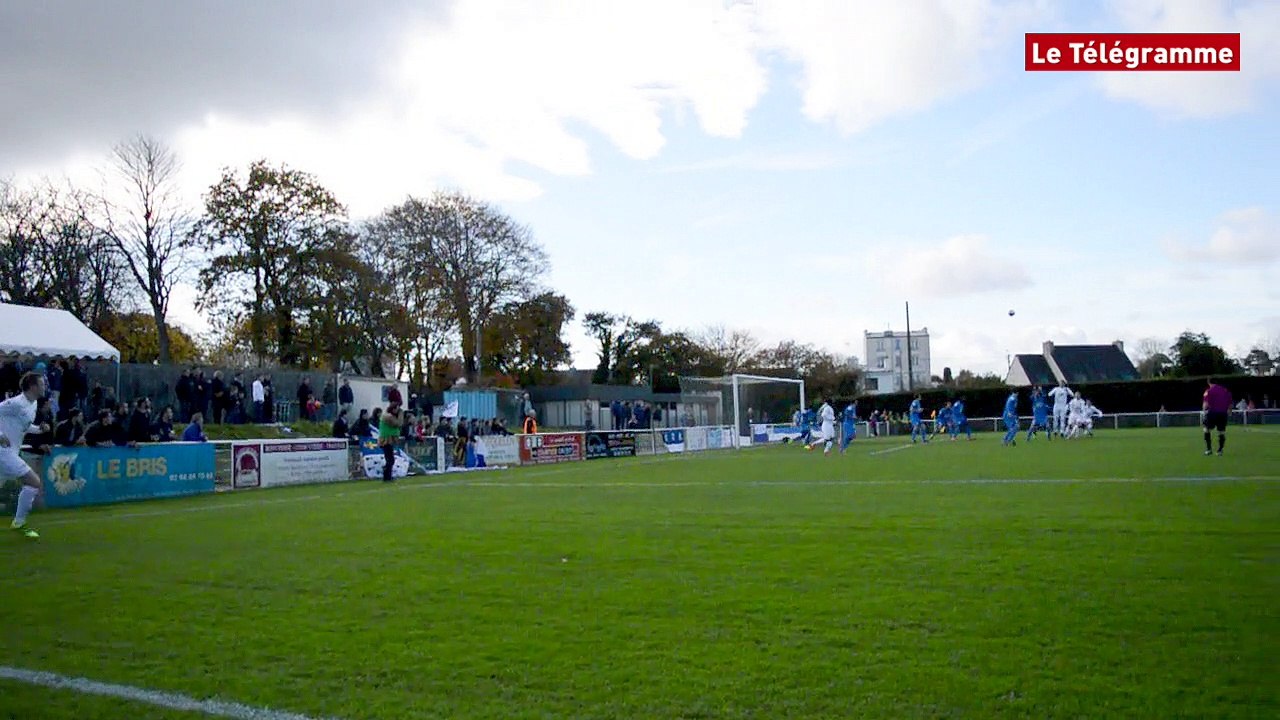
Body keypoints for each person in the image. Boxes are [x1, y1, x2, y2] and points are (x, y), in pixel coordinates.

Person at [1, 373, 50, 538]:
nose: (45, 387)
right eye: (42, 384)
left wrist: (39, 429)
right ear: (33, 387)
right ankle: (19, 522)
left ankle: (18, 522)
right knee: (34, 482)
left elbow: (25, 426)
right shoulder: (15, 403)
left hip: (11, 451)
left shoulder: (33, 403)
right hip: (3, 452)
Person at [1202, 377, 1232, 456]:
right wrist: (1229, 411)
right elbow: (1229, 403)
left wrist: (1204, 411)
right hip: (1223, 413)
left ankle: (1209, 449)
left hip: (1212, 413)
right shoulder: (1225, 390)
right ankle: (1220, 450)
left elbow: (1206, 403)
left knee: (1206, 430)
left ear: (1208, 383)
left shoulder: (1208, 391)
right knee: (1221, 432)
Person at [378, 399, 403, 482]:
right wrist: (401, 414)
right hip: (386, 439)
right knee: (390, 459)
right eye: (397, 409)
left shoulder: (387, 416)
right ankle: (387, 476)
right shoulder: (388, 417)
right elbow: (398, 423)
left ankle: (387, 476)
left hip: (388, 439)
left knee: (389, 459)